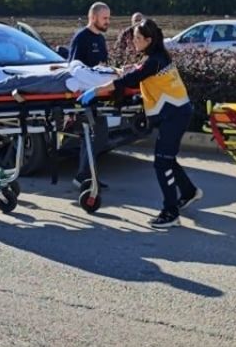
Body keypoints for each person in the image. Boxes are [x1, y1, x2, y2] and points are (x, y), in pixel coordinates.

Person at [80, 18, 202, 230]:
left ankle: (170, 212)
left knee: (162, 162)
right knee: (168, 158)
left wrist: (96, 91)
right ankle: (189, 192)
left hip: (174, 116)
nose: (133, 41)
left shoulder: (154, 61)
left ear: (148, 39)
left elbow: (130, 79)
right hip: (176, 113)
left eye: (137, 38)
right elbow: (142, 73)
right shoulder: (156, 57)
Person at [67, 2, 113, 188]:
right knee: (95, 134)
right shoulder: (81, 38)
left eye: (109, 18)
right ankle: (83, 176)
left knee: (98, 135)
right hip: (83, 98)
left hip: (96, 96)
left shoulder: (100, 39)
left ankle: (87, 175)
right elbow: (74, 69)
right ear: (93, 17)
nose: (108, 22)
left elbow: (102, 67)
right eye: (105, 18)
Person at [0, 59, 116, 97]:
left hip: (63, 81)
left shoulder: (113, 76)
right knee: (18, 81)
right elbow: (85, 71)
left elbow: (82, 73)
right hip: (64, 77)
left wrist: (73, 64)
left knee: (17, 82)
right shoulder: (111, 73)